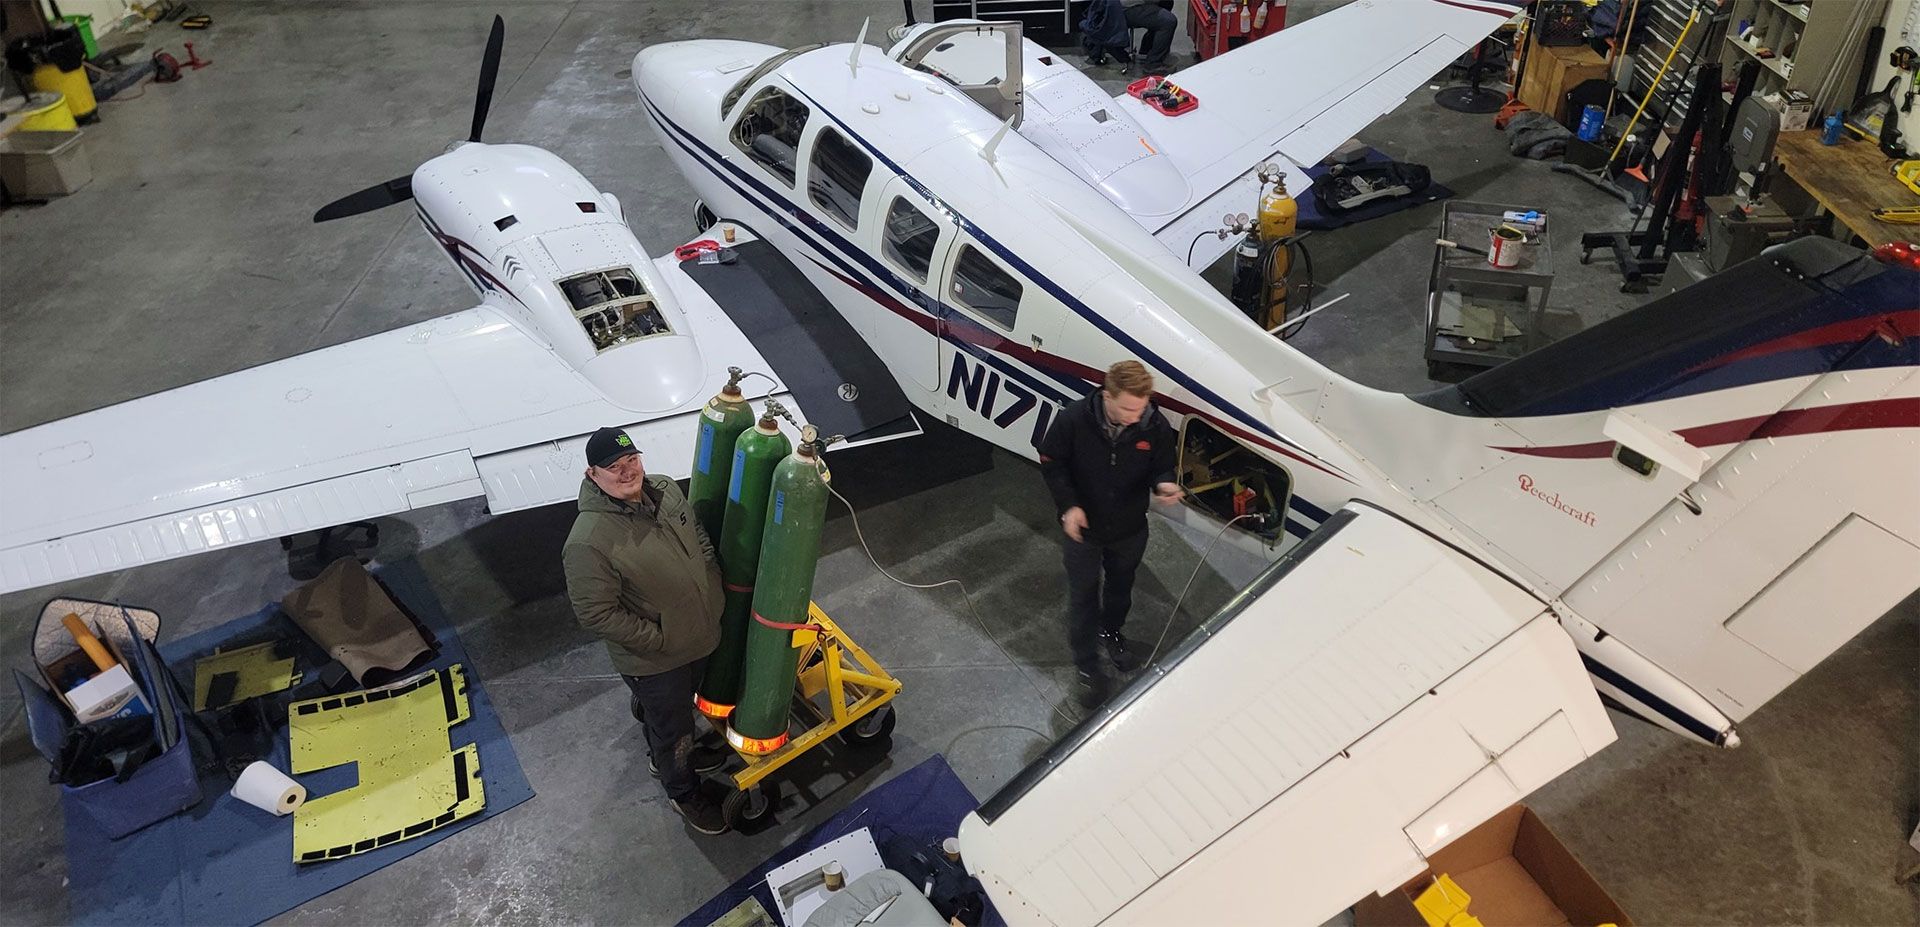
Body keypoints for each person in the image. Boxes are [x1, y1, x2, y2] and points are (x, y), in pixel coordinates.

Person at [562, 426, 729, 835]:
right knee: (674, 729)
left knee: (675, 714)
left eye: (631, 460)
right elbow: (596, 614)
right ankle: (683, 790)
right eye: (613, 467)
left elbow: (697, 536)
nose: (626, 472)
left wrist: (711, 581)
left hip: (696, 636)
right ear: (592, 475)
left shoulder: (666, 490)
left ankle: (664, 751)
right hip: (656, 659)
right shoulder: (588, 541)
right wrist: (660, 639)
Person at [1038, 361, 1183, 709]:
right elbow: (1051, 461)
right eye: (1130, 408)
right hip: (1084, 532)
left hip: (1129, 528)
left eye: (1142, 407)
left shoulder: (1153, 425)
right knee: (1083, 596)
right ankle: (1087, 665)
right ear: (1108, 397)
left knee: (1121, 587)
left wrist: (1163, 482)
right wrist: (1069, 506)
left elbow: (1162, 462)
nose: (1137, 415)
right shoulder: (1073, 420)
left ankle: (1112, 632)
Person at [1122, 0, 1178, 73]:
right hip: (1124, 9)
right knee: (1169, 21)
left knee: (1167, 2)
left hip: (1130, 4)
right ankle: (1153, 64)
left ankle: (1148, 48)